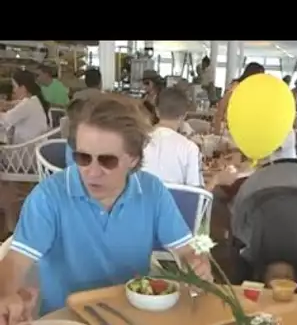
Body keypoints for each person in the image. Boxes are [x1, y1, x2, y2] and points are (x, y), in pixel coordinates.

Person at [0, 94, 212, 316]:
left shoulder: (152, 191)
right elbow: (15, 262)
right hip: (67, 317)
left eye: (107, 161)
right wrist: (5, 295)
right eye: (83, 157)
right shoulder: (49, 196)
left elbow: (186, 250)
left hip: (134, 314)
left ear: (133, 159)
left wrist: (196, 264)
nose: (92, 172)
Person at [141, 87, 202, 186]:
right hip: (176, 201)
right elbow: (195, 193)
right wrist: (215, 180)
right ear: (184, 115)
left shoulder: (139, 141)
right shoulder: (190, 148)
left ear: (156, 111)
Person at [213, 63, 265, 135]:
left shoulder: (254, 91)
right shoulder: (237, 86)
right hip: (229, 129)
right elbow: (221, 107)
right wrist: (217, 131)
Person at [0, 70, 50, 144]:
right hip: (32, 147)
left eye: (14, 87)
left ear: (23, 88)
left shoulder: (26, 105)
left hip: (24, 150)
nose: (13, 90)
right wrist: (5, 104)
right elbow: (14, 104)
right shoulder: (34, 100)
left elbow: (6, 120)